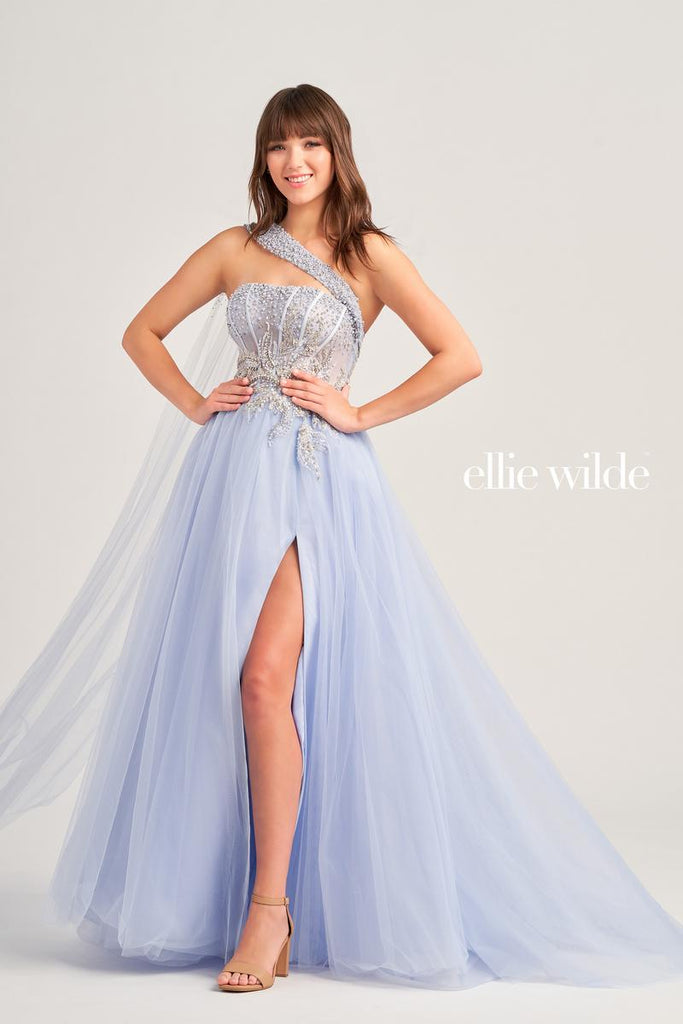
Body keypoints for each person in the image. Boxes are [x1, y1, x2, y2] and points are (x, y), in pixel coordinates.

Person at [2, 83, 683, 996]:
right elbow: (142, 332)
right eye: (278, 145)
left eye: (311, 144)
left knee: (264, 679)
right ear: (263, 158)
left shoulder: (369, 255)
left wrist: (360, 412)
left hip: (319, 482)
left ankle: (270, 909)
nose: (294, 161)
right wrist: (196, 402)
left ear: (337, 153)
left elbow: (460, 355)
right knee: (221, 681)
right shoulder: (234, 248)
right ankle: (229, 897)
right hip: (229, 479)